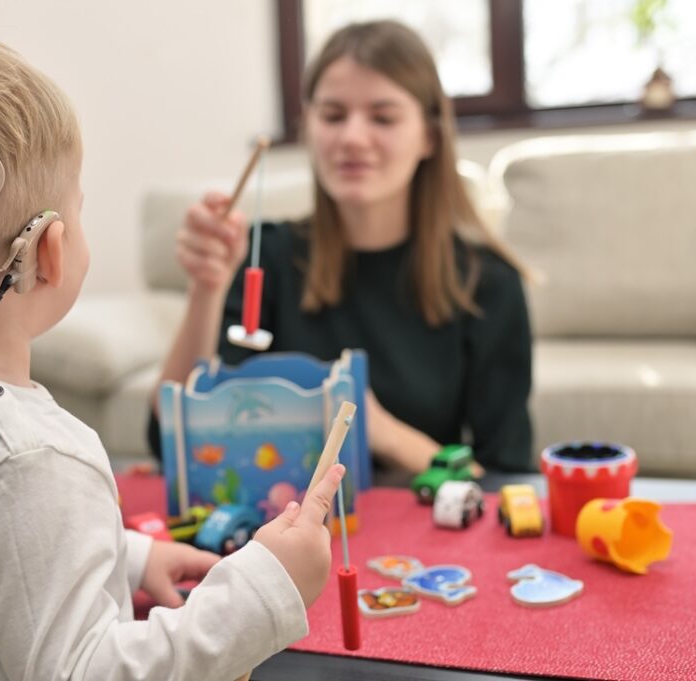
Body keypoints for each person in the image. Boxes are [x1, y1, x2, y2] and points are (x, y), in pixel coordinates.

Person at [0, 30, 345, 680]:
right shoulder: (32, 456)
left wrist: (132, 556)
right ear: (49, 251)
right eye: (80, 210)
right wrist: (263, 588)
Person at [151, 20, 532, 475]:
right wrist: (205, 290)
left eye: (383, 117)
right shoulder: (263, 255)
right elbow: (168, 439)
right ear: (309, 128)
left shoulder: (488, 283)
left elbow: (502, 478)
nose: (352, 138)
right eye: (332, 116)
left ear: (430, 136)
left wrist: (378, 428)